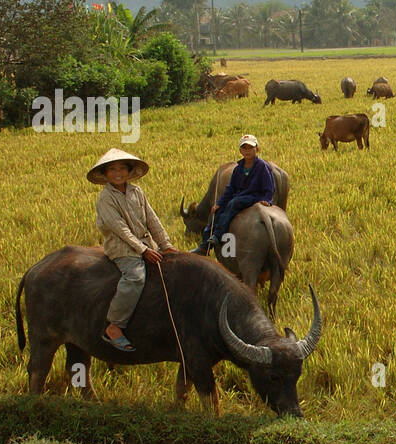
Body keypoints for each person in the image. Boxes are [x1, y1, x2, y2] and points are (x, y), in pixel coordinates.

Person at [89, 147, 176, 352]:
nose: (118, 173)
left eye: (122, 168)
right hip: (122, 248)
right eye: (112, 169)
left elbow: (152, 220)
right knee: (136, 277)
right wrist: (142, 250)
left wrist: (166, 245)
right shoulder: (106, 199)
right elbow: (120, 230)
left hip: (146, 244)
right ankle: (114, 326)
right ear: (105, 174)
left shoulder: (137, 192)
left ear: (129, 171)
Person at [191, 134, 275, 255]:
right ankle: (205, 246)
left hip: (254, 197)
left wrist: (267, 200)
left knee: (234, 203)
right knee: (216, 212)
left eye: (250, 147)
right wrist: (219, 204)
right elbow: (230, 189)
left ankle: (218, 235)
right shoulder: (238, 168)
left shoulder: (262, 166)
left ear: (257, 149)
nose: (247, 151)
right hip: (240, 196)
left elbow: (269, 187)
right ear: (240, 150)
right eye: (244, 148)